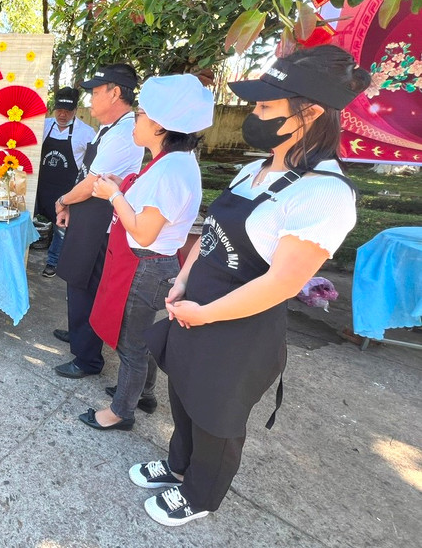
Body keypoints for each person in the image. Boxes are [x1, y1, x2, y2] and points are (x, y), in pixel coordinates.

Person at [131, 45, 370, 526]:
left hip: (239, 327)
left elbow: (282, 283)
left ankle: (200, 495)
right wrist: (182, 279)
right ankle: (179, 465)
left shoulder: (324, 194)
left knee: (217, 416)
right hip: (195, 307)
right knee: (185, 395)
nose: (252, 115)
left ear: (313, 112)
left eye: (265, 107)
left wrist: (206, 313)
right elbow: (213, 232)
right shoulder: (254, 168)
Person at [76, 74, 212, 432]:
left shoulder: (172, 169)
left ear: (159, 125)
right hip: (146, 263)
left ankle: (120, 412)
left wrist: (113, 196)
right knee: (143, 338)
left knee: (131, 345)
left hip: (145, 266)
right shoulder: (169, 162)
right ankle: (144, 393)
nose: (135, 121)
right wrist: (123, 190)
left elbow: (144, 229)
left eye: (139, 115)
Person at [52, 63, 144, 379]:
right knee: (77, 281)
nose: (90, 99)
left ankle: (88, 358)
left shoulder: (123, 134)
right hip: (87, 215)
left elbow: (93, 183)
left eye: (95, 92)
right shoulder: (110, 128)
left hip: (101, 223)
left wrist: (63, 200)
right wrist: (70, 207)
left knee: (88, 286)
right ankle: (79, 334)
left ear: (115, 92)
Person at [33, 87, 95, 278]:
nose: (62, 114)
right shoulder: (44, 125)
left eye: (67, 111)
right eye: (59, 109)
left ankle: (53, 261)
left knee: (61, 226)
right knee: (30, 218)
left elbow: (91, 164)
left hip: (65, 188)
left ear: (75, 111)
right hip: (41, 185)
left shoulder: (86, 132)